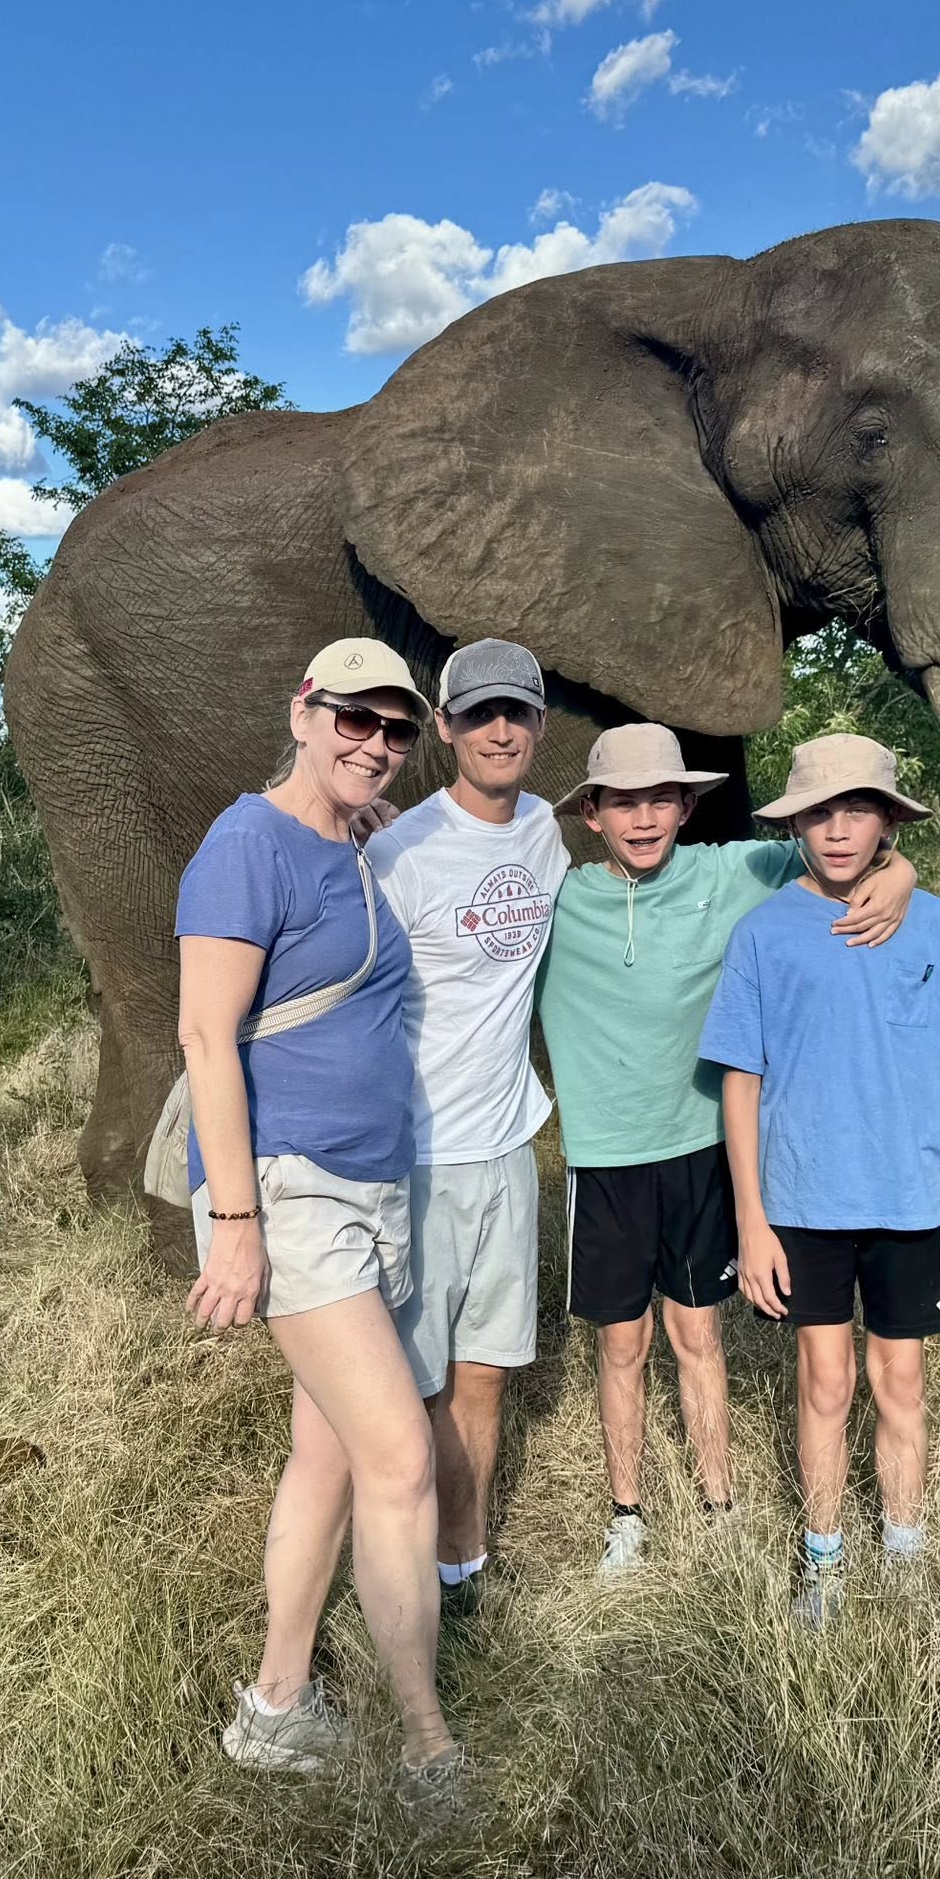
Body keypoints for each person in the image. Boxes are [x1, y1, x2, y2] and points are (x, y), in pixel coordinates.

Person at [176, 637, 460, 1798]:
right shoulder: (248, 841)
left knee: (330, 1455)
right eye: (352, 717)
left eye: (395, 730)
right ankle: (427, 1740)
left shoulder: (350, 846)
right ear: (302, 710)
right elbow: (205, 1035)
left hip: (367, 1182)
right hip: (291, 1188)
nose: (374, 745)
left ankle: (276, 1704)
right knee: (401, 1457)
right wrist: (236, 1216)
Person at [536, 724, 917, 1575]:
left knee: (697, 1334)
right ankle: (626, 1515)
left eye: (661, 799)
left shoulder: (732, 870)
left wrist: (901, 874)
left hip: (703, 1146)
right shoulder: (557, 900)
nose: (644, 819)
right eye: (623, 801)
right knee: (621, 1346)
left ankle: (718, 1503)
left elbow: (846, 854)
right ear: (590, 814)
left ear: (688, 806)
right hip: (604, 1156)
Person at [698, 732, 940, 1626]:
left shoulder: (937, 923)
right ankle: (823, 1563)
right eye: (820, 812)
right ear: (794, 821)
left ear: (888, 822)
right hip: (804, 1201)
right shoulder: (762, 934)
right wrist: (751, 1223)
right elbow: (741, 1083)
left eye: (859, 809)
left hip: (913, 1199)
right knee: (823, 1383)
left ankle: (906, 1558)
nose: (839, 830)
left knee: (900, 1383)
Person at [364, 639, 570, 1615]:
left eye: (517, 712)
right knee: (408, 1394)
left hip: (507, 1152)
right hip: (416, 1161)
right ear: (443, 727)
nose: (500, 729)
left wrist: (896, 873)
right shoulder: (396, 851)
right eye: (479, 712)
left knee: (482, 1381)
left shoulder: (550, 834)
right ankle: (395, 1574)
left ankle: (462, 1566)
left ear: (539, 726)